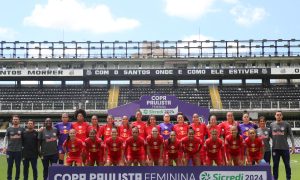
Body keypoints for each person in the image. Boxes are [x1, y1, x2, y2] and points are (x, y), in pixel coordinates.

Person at [270, 111, 295, 180]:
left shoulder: (287, 124)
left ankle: (288, 178)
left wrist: (293, 145)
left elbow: (291, 135)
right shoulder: (272, 125)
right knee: (275, 165)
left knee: (287, 164)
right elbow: (270, 135)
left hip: (285, 148)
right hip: (275, 148)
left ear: (282, 116)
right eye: (277, 115)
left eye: (280, 115)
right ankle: (275, 178)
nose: (278, 116)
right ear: (275, 116)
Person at [3, 115, 25, 180]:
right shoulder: (9, 129)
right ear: (12, 120)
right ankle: (9, 178)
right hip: (9, 151)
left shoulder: (22, 129)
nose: (15, 120)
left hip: (19, 151)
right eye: (14, 119)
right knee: (10, 166)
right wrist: (4, 147)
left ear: (19, 120)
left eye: (17, 119)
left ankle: (17, 178)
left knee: (18, 167)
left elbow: (25, 139)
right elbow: (5, 138)